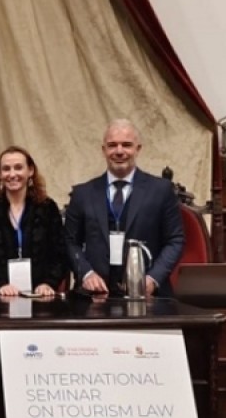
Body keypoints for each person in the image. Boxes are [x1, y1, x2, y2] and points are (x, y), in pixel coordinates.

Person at [63, 118, 184, 297]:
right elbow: (69, 241)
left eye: (126, 145)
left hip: (149, 296)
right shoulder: (82, 194)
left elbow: (175, 240)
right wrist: (86, 273)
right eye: (112, 145)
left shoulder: (161, 190)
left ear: (138, 149)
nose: (119, 151)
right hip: (95, 296)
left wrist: (152, 279)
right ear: (103, 150)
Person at [0, 146, 68, 298]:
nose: (12, 174)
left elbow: (61, 253)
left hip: (41, 296)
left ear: (30, 171)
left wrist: (49, 283)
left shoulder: (47, 208)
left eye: (18, 168)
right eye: (6, 169)